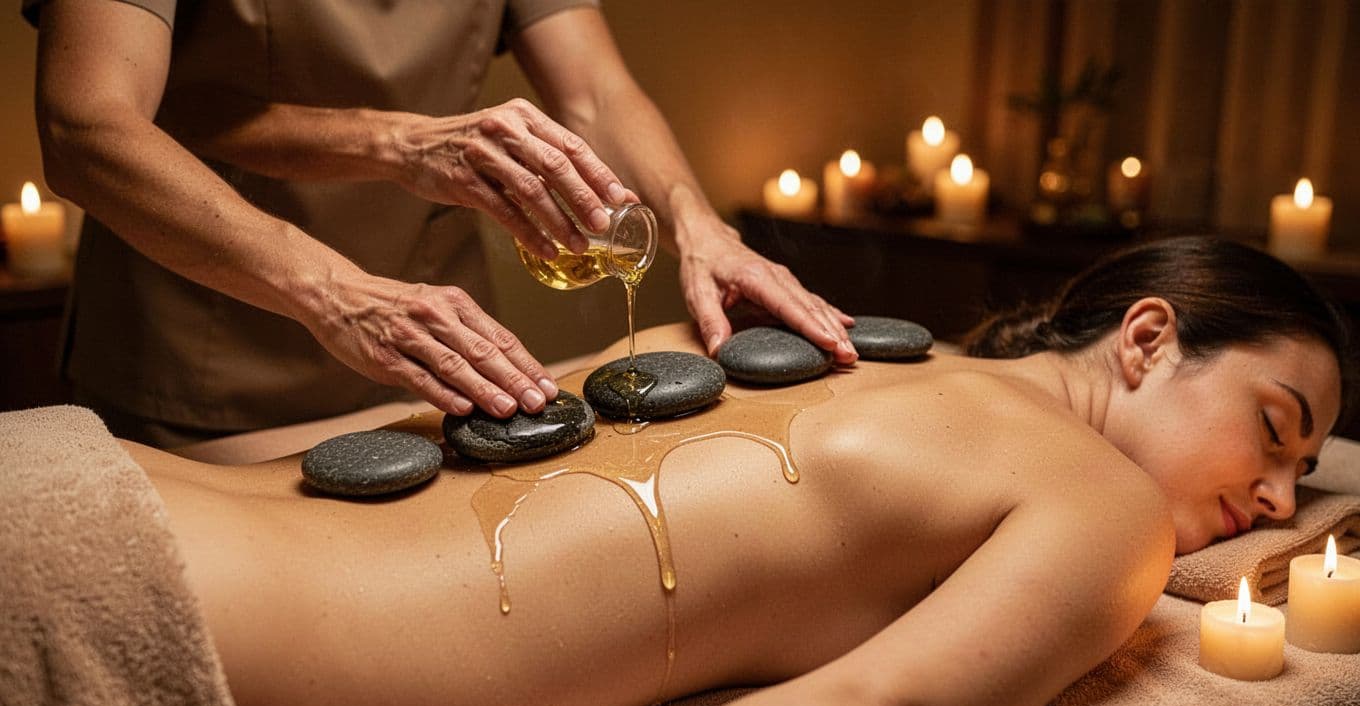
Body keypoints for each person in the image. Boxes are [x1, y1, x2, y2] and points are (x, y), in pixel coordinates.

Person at [114, 237, 1351, 706]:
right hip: (164, 618)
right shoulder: (1104, 509)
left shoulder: (785, 335)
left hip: (110, 482)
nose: (1275, 494)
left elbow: (384, 442)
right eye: (1274, 428)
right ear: (1147, 337)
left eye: (1302, 478)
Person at [26, 0, 856, 447]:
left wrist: (698, 224)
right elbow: (84, 125)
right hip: (205, 366)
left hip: (442, 361)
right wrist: (341, 277)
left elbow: (595, 93)